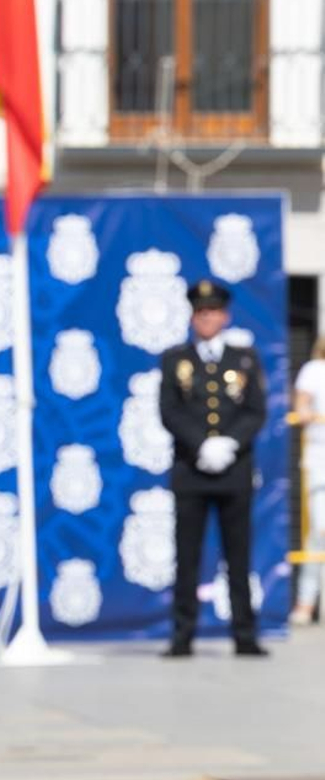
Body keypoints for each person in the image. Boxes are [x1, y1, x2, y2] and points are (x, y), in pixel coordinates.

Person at [158, 279, 269, 657]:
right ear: (193, 318)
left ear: (225, 316)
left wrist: (229, 442)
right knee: (187, 557)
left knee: (238, 557)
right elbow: (169, 410)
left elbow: (255, 410)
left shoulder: (243, 358)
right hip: (191, 470)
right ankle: (182, 634)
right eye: (201, 313)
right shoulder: (176, 360)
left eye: (213, 312)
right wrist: (201, 443)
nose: (207, 319)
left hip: (234, 471)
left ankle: (245, 634)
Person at [290, 335, 325, 624]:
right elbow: (300, 407)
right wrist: (310, 415)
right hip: (320, 456)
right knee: (320, 529)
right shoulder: (314, 369)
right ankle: (306, 600)